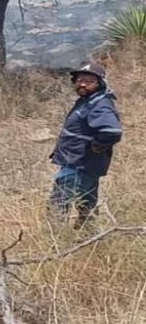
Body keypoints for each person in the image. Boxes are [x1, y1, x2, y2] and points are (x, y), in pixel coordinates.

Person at [49, 62, 123, 230]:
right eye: (80, 79)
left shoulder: (99, 105)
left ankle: (55, 241)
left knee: (58, 203)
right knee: (86, 205)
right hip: (85, 163)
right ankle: (87, 237)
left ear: (99, 83)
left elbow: (112, 131)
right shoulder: (88, 101)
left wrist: (97, 146)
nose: (82, 84)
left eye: (89, 81)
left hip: (79, 164)